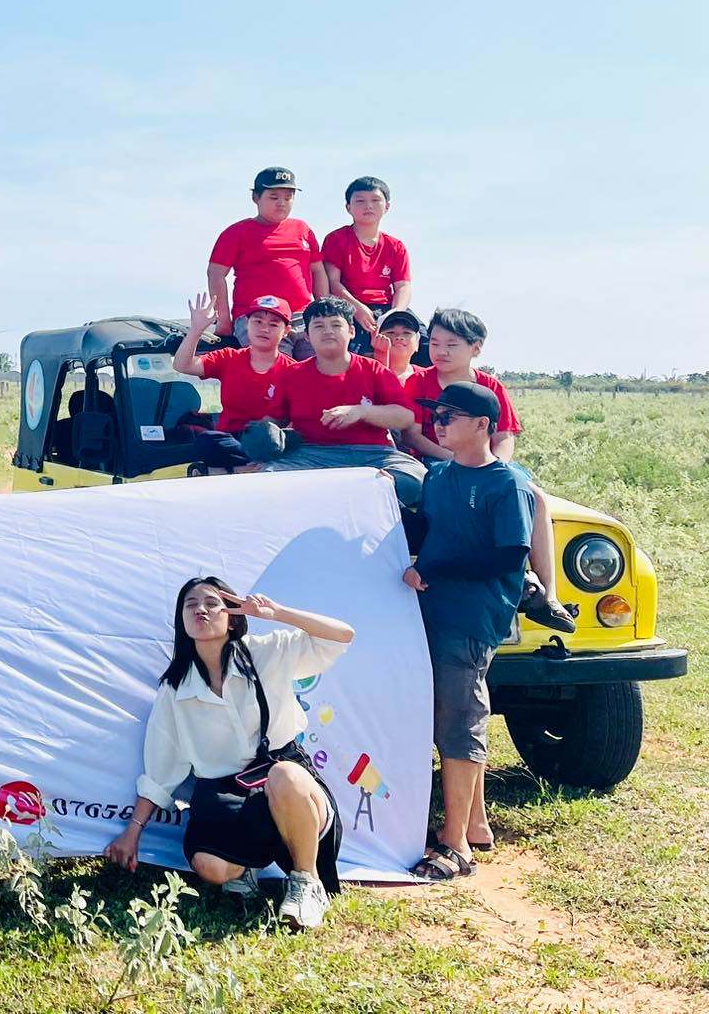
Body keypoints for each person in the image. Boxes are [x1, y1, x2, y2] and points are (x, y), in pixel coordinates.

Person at [104, 579, 353, 932]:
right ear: (182, 620)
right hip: (228, 797)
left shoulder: (267, 652)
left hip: (289, 785)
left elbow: (341, 635)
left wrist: (277, 612)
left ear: (233, 617)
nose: (200, 610)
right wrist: (132, 832)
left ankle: (306, 881)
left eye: (212, 602)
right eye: (190, 604)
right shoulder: (175, 690)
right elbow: (161, 770)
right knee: (208, 866)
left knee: (284, 774)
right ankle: (247, 869)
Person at [403, 382, 535, 880]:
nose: (438, 422)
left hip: (472, 616)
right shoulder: (436, 477)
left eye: (449, 415)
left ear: (483, 425)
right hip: (431, 608)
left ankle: (455, 843)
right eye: (436, 414)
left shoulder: (509, 484)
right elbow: (429, 531)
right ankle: (474, 824)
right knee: (446, 714)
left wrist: (437, 571)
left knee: (458, 718)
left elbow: (509, 554)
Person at [402, 309, 572, 632]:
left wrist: (495, 470)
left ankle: (547, 594)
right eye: (435, 343)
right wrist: (456, 459)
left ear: (475, 348)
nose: (440, 352)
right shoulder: (418, 382)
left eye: (451, 344)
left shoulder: (491, 386)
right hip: (435, 462)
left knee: (533, 496)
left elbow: (504, 437)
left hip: (488, 463)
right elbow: (412, 435)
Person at [239, 297, 428, 509]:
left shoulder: (374, 370)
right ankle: (359, 493)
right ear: (308, 337)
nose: (328, 331)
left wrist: (362, 412)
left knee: (417, 479)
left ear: (352, 331)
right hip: (311, 455)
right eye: (319, 326)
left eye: (336, 324)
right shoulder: (291, 375)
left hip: (372, 456)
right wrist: (263, 438)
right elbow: (275, 419)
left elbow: (404, 417)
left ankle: (344, 494)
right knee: (265, 478)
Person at [205, 167, 323, 357]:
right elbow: (215, 275)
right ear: (256, 198)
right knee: (276, 372)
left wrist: (322, 308)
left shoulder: (303, 229)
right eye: (274, 197)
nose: (282, 203)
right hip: (259, 316)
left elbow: (318, 270)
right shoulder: (236, 233)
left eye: (288, 197)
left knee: (319, 369)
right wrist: (224, 319)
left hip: (302, 315)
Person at [172, 291, 294, 474]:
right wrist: (196, 330)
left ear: (285, 331)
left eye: (273, 324)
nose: (264, 328)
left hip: (269, 441)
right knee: (206, 441)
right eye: (258, 321)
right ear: (247, 324)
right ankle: (245, 469)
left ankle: (223, 471)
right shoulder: (229, 357)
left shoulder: (293, 370)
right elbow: (182, 365)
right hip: (231, 439)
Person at [321, 177, 412, 355]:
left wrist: (395, 314)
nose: (368, 206)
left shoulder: (396, 246)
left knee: (423, 343)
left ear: (387, 206)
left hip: (387, 307)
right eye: (360, 201)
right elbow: (333, 282)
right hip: (350, 306)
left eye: (375, 200)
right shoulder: (336, 239)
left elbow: (403, 286)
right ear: (348, 207)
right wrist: (357, 309)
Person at [372, 308, 425, 385]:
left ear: (417, 343)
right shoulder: (363, 374)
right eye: (391, 332)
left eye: (406, 333)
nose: (399, 337)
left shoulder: (428, 378)